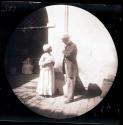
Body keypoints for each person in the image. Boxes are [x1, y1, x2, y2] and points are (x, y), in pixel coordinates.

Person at [62, 33, 78, 103]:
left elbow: (68, 54)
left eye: (63, 40)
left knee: (71, 82)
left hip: (71, 66)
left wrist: (63, 51)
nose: (63, 42)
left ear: (66, 39)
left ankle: (70, 98)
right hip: (68, 65)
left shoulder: (73, 45)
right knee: (68, 81)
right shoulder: (68, 45)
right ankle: (69, 95)